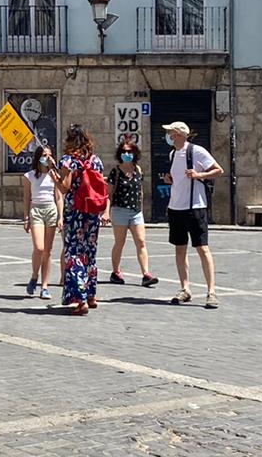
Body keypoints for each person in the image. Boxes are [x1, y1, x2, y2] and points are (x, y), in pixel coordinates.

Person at [164, 121, 224, 309]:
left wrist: (199, 175)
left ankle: (211, 291)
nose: (169, 136)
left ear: (179, 134)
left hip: (195, 207)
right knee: (180, 248)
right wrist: (170, 179)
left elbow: (218, 170)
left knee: (202, 248)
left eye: (171, 133)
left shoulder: (196, 151)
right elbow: (178, 178)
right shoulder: (172, 153)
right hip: (175, 207)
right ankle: (185, 288)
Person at [56, 124, 107, 315]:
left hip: (75, 212)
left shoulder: (69, 161)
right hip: (92, 212)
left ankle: (81, 299)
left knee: (74, 253)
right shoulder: (96, 161)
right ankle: (91, 294)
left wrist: (55, 176)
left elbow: (65, 188)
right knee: (90, 252)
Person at [107, 134, 159, 287]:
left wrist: (141, 209)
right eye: (124, 151)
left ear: (135, 153)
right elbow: (109, 193)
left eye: (130, 152)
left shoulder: (138, 170)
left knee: (141, 241)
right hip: (120, 211)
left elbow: (140, 190)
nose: (127, 154)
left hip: (136, 212)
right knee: (119, 242)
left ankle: (146, 274)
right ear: (120, 154)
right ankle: (116, 272)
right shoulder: (115, 172)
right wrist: (106, 212)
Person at [21, 144, 62, 300]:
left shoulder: (54, 175)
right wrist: (26, 217)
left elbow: (59, 197)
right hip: (36, 211)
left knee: (48, 250)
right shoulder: (29, 176)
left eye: (49, 155)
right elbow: (26, 198)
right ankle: (34, 276)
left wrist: (61, 216)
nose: (47, 158)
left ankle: (44, 286)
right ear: (38, 157)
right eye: (44, 155)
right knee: (39, 247)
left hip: (51, 210)